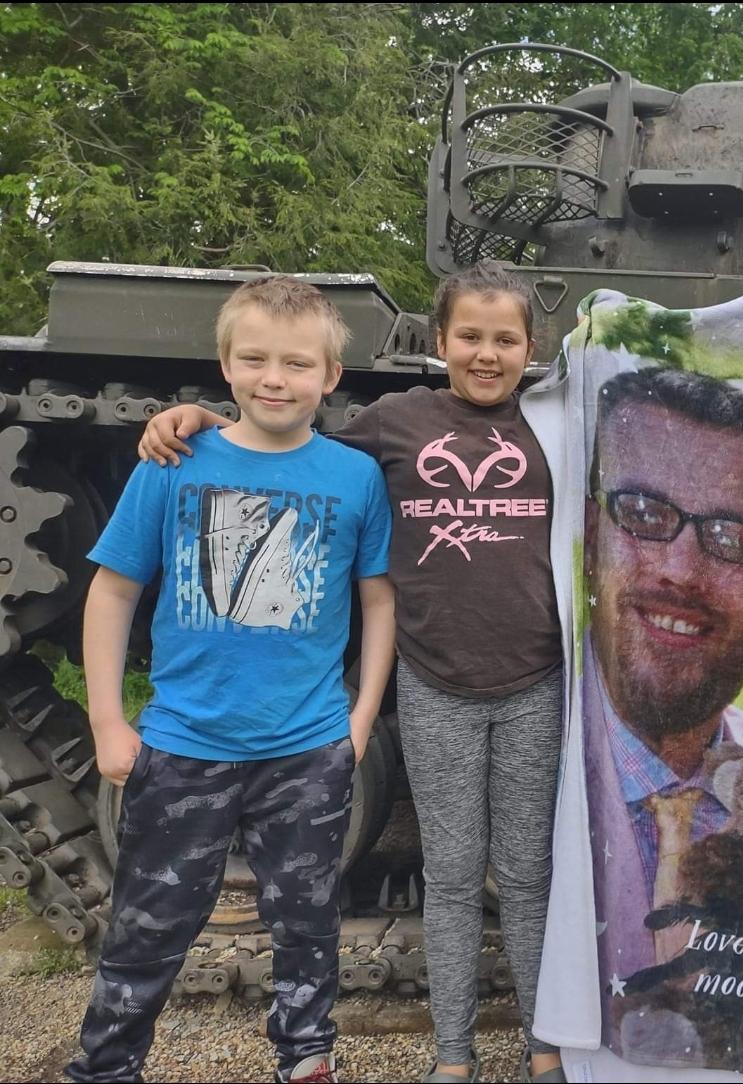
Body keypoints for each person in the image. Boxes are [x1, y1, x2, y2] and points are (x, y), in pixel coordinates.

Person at [138, 263, 573, 1084]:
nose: (486, 354)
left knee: (527, 875)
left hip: (535, 681)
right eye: (469, 336)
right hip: (436, 684)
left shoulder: (555, 420)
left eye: (505, 340)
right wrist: (204, 418)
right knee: (452, 876)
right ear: (439, 340)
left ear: (530, 347)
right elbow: (288, 446)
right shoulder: (398, 419)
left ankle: (543, 1042)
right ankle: (453, 1055)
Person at [67, 275, 395, 1084]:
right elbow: (114, 589)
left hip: (307, 748)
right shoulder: (174, 463)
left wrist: (359, 719)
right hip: (185, 743)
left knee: (308, 924)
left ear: (330, 375)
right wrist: (107, 719)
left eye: (296, 363)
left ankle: (306, 1058)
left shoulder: (354, 477)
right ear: (225, 365)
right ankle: (105, 1067)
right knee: (147, 927)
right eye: (254, 359)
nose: (273, 378)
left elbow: (379, 599)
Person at [583, 365, 743, 976]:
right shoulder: (537, 758)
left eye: (733, 538)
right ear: (591, 536)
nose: (681, 571)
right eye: (644, 513)